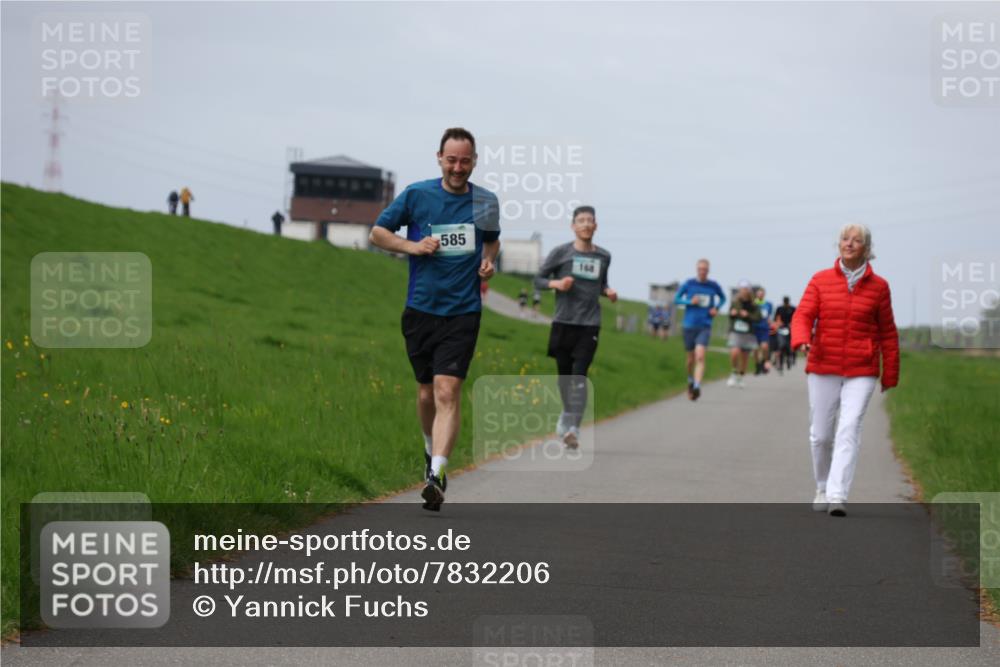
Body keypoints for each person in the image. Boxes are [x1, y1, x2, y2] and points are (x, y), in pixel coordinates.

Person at [369, 127, 500, 511]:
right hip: (421, 309)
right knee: (426, 392)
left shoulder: (486, 201)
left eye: (465, 161)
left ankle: (438, 474)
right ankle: (430, 452)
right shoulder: (417, 194)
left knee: (448, 390)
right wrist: (413, 246)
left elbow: (491, 238)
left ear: (474, 161)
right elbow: (378, 233)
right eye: (452, 160)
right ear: (439, 158)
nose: (458, 167)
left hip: (463, 311)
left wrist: (489, 259)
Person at [791, 223, 899, 517]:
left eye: (857, 240)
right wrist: (802, 339)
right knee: (821, 435)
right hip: (823, 363)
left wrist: (890, 372)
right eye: (845, 239)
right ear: (838, 245)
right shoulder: (821, 280)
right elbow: (803, 315)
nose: (849, 243)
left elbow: (888, 332)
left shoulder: (879, 287)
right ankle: (822, 487)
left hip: (861, 368)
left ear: (867, 248)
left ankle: (838, 495)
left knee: (849, 428)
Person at [534, 205, 616, 448]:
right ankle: (567, 414)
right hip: (563, 321)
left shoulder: (604, 256)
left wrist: (607, 291)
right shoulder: (561, 253)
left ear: (596, 226)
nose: (586, 224)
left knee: (579, 377)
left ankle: (573, 428)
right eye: (581, 220)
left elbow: (601, 284)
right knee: (564, 378)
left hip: (589, 324)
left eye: (590, 220)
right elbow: (538, 280)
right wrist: (557, 284)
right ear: (573, 226)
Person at [675, 259, 726, 401]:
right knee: (690, 359)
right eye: (700, 269)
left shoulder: (713, 285)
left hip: (705, 325)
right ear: (697, 270)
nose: (702, 271)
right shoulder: (689, 284)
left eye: (705, 269)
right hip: (689, 325)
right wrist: (689, 302)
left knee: (700, 356)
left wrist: (716, 308)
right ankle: (690, 379)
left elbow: (723, 298)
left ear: (708, 271)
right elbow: (676, 299)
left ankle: (697, 386)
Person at [726, 280, 761, 388]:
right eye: (742, 289)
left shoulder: (754, 304)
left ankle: (740, 377)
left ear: (749, 291)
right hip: (736, 331)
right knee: (735, 352)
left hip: (748, 333)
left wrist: (748, 315)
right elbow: (730, 314)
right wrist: (732, 314)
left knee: (745, 357)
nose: (744, 291)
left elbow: (758, 318)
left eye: (746, 289)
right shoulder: (735, 302)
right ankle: (733, 373)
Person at [753, 287, 774, 375]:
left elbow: (769, 316)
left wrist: (770, 322)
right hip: (754, 329)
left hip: (764, 328)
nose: (760, 294)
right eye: (759, 293)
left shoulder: (768, 304)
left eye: (762, 293)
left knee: (765, 347)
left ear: (764, 294)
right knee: (755, 349)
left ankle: (765, 362)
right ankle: (757, 365)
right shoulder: (753, 303)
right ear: (756, 294)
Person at [773, 296, 796, 373]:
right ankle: (780, 364)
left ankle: (790, 357)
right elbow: (775, 318)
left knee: (790, 345)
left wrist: (792, 324)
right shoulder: (779, 308)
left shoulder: (793, 308)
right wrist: (779, 323)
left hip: (790, 328)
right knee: (782, 345)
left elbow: (795, 317)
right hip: (782, 328)